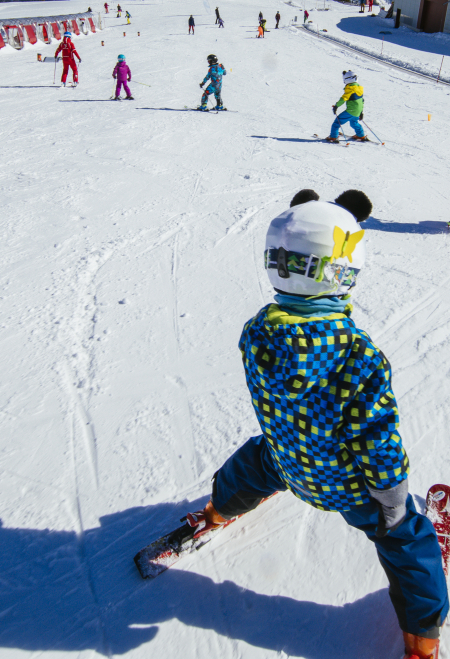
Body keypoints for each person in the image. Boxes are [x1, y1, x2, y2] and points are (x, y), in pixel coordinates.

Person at [184, 193, 449, 659]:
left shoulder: (257, 329)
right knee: (407, 538)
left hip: (287, 461)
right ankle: (423, 639)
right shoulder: (356, 354)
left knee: (253, 459)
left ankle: (216, 512)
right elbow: (377, 439)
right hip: (347, 486)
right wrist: (391, 500)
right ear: (343, 271)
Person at [326, 70, 367, 143]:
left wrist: (336, 106)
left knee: (336, 123)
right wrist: (361, 112)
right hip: (357, 110)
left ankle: (333, 137)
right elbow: (361, 101)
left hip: (351, 111)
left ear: (347, 79)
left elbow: (343, 99)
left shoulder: (350, 88)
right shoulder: (359, 88)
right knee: (354, 123)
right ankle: (360, 135)